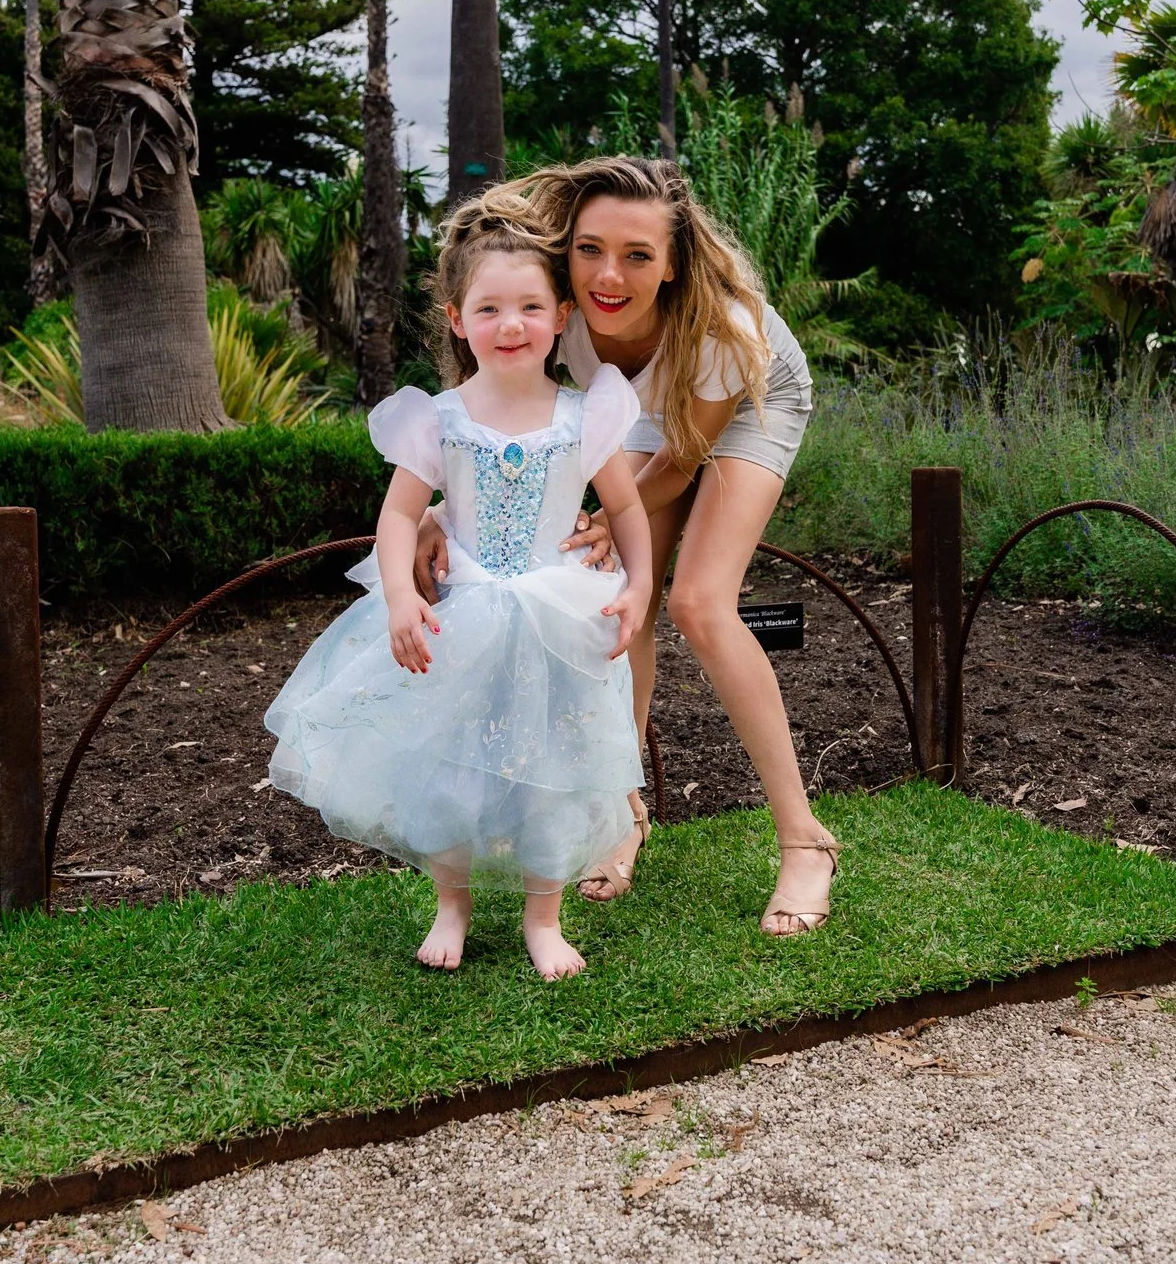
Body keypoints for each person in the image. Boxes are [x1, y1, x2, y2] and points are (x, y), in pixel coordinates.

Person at [416, 155, 839, 936]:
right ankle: (623, 812)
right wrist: (444, 511)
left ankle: (806, 839)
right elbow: (505, 425)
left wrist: (606, 521)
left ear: (671, 263)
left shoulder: (721, 328)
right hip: (645, 410)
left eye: (638, 255)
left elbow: (680, 461)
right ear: (565, 249)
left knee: (696, 601)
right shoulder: (558, 314)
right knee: (615, 599)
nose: (609, 275)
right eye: (590, 250)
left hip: (746, 398)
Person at [265, 207, 654, 980]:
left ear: (561, 316)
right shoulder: (439, 419)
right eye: (489, 309)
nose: (512, 324)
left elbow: (629, 508)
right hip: (462, 614)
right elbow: (400, 515)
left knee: (554, 763)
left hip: (557, 617)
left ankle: (543, 917)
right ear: (457, 319)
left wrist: (640, 583)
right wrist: (403, 599)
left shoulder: (586, 417)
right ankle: (453, 903)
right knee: (451, 766)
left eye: (531, 307)